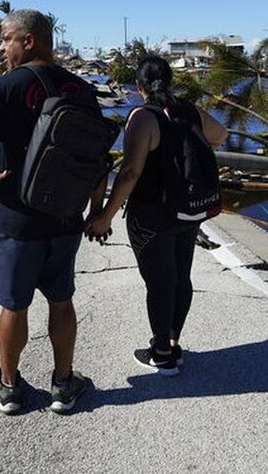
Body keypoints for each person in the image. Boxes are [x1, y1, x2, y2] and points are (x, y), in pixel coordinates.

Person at [0, 9, 105, 414]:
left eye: (4, 38)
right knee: (62, 302)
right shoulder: (81, 89)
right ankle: (64, 386)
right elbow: (97, 158)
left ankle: (11, 387)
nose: (0, 47)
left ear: (27, 41)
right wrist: (97, 209)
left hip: (17, 218)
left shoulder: (7, 87)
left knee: (14, 305)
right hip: (66, 217)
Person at [86, 55, 225, 375]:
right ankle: (173, 340)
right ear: (170, 81)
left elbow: (130, 172)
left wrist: (105, 216)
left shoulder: (142, 117)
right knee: (180, 276)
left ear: (139, 87)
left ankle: (162, 353)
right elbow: (220, 134)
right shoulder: (189, 111)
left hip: (152, 213)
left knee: (159, 282)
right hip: (188, 209)